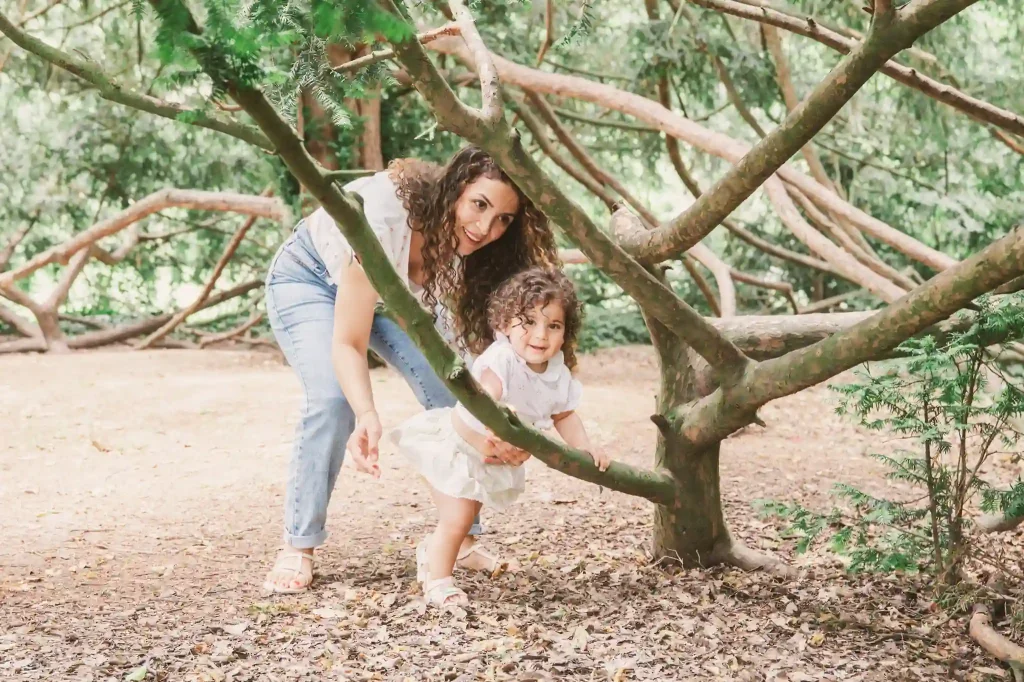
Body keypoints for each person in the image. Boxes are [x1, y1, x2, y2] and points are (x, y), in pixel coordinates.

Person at [262, 146, 558, 593]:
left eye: (503, 219)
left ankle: (462, 539)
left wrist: (506, 429)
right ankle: (298, 545)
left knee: (455, 390)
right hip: (311, 277)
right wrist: (368, 413)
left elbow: (481, 369)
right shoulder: (382, 220)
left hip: (386, 296)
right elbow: (348, 342)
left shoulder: (469, 252)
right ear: (455, 190)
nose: (485, 228)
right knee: (333, 400)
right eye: (479, 205)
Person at [389, 267, 611, 607]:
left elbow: (564, 414)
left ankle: (432, 552)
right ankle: (438, 582)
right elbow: (486, 398)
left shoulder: (557, 371)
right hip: (461, 448)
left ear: (565, 333)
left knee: (465, 515)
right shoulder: (503, 358)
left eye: (554, 325)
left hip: (490, 457)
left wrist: (584, 448)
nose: (541, 334)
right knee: (458, 517)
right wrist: (497, 429)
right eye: (529, 321)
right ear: (506, 324)